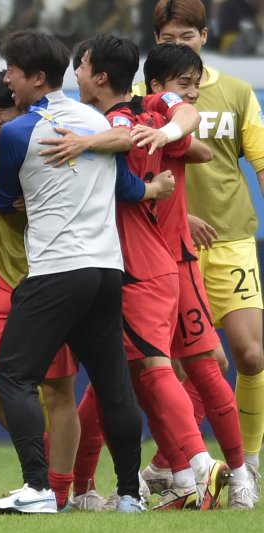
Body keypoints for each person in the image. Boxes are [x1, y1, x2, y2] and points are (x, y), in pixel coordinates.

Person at [53, 34, 229, 511]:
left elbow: (132, 137)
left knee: (154, 368)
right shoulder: (150, 110)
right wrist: (161, 171)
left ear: (102, 75)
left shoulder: (118, 120)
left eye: (82, 66)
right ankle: (123, 482)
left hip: (133, 267)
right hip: (149, 261)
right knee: (116, 381)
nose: (77, 75)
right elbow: (193, 140)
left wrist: (106, 156)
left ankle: (198, 463)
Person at [0, 30, 143, 514]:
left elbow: (4, 202)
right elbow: (127, 188)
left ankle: (39, 488)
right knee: (113, 386)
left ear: (37, 78)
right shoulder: (95, 121)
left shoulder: (16, 131)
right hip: (108, 268)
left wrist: (20, 197)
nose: (7, 79)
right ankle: (129, 495)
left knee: (10, 378)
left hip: (56, 269)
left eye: (12, 72)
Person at [145, 0, 264, 501]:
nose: (178, 45)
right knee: (175, 365)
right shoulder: (141, 96)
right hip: (170, 245)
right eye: (168, 39)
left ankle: (249, 463)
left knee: (251, 356)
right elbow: (138, 172)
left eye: (187, 36)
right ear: (157, 41)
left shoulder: (236, 91)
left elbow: (259, 159)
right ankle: (175, 467)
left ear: (205, 35)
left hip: (232, 237)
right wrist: (178, 213)